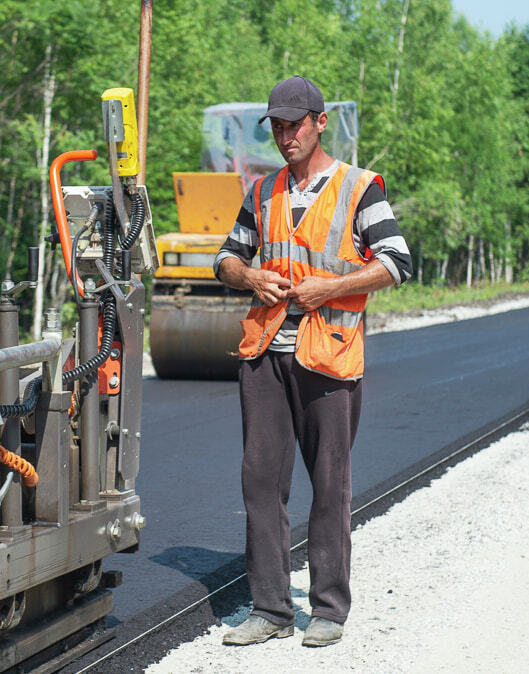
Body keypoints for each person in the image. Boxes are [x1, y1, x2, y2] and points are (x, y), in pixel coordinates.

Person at [214, 76, 412, 647]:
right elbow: (227, 258)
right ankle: (271, 610)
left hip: (328, 358)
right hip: (266, 358)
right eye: (276, 126)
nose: (284, 136)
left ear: (320, 123)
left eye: (294, 124)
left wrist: (331, 288)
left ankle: (328, 608)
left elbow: (397, 262)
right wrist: (249, 275)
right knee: (259, 482)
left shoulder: (358, 189)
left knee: (330, 485)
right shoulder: (262, 191)